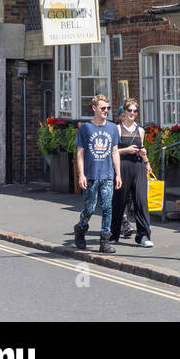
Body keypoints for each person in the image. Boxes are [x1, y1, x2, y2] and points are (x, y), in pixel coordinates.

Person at [73, 94, 121, 253]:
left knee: (108, 207)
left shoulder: (113, 128)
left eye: (108, 108)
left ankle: (105, 241)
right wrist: (81, 175)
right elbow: (80, 153)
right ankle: (80, 229)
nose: (106, 111)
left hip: (107, 175)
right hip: (91, 175)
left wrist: (118, 174)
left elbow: (115, 152)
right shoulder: (85, 129)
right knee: (90, 208)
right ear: (94, 108)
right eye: (103, 108)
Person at [108, 98, 154, 248]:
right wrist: (126, 150)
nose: (132, 113)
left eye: (135, 111)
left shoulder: (140, 130)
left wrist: (146, 160)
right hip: (122, 166)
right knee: (120, 201)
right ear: (124, 111)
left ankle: (143, 235)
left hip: (138, 166)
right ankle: (113, 234)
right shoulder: (117, 129)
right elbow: (112, 152)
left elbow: (142, 148)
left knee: (141, 201)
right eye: (130, 110)